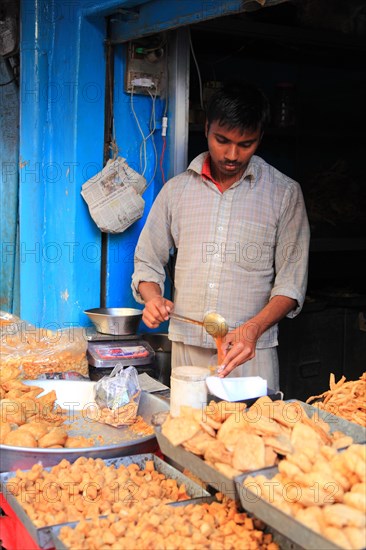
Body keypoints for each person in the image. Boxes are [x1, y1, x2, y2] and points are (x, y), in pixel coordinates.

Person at [131, 81, 310, 391]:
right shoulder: (177, 191)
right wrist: (153, 298)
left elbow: (291, 284)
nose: (232, 154)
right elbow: (147, 260)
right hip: (188, 350)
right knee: (190, 434)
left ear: (260, 138)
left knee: (252, 435)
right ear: (206, 128)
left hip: (250, 354)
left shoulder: (284, 194)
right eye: (222, 140)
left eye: (246, 144)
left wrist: (253, 329)